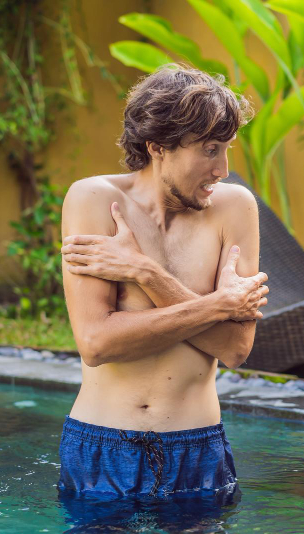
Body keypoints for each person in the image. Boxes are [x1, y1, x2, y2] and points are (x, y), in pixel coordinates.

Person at [55, 64, 268, 499]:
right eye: (210, 150)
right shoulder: (95, 200)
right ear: (157, 147)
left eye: (226, 148)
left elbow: (234, 349)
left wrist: (143, 271)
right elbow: (96, 343)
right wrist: (218, 306)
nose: (223, 169)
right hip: (103, 440)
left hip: (198, 443)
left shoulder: (235, 208)